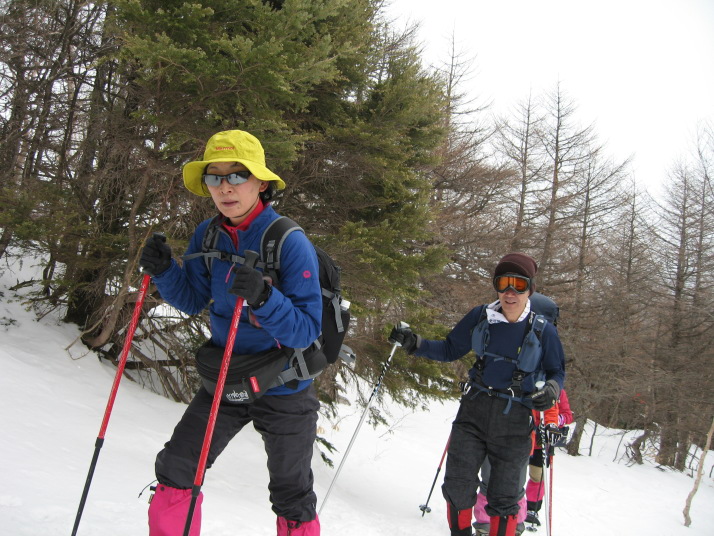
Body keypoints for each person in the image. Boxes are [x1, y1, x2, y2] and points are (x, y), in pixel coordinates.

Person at [140, 130, 323, 536]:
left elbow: (306, 330)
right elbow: (191, 299)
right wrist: (165, 270)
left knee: (292, 493)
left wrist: (263, 297)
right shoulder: (207, 234)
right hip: (226, 377)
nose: (225, 187)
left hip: (284, 386)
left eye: (237, 175)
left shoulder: (288, 241)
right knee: (177, 467)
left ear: (261, 183)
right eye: (215, 176)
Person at [389, 253, 566, 536]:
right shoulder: (480, 316)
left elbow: (557, 372)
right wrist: (415, 343)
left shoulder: (543, 331)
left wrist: (552, 391)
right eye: (503, 283)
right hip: (474, 411)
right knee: (458, 485)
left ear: (530, 289)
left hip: (515, 419)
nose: (510, 293)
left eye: (518, 285)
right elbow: (449, 349)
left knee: (504, 498)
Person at [525, 389, 573, 528]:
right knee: (515, 475)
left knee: (538, 477)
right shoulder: (527, 384)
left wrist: (554, 421)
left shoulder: (559, 392)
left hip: (541, 443)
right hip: (523, 438)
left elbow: (567, 415)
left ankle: (532, 509)